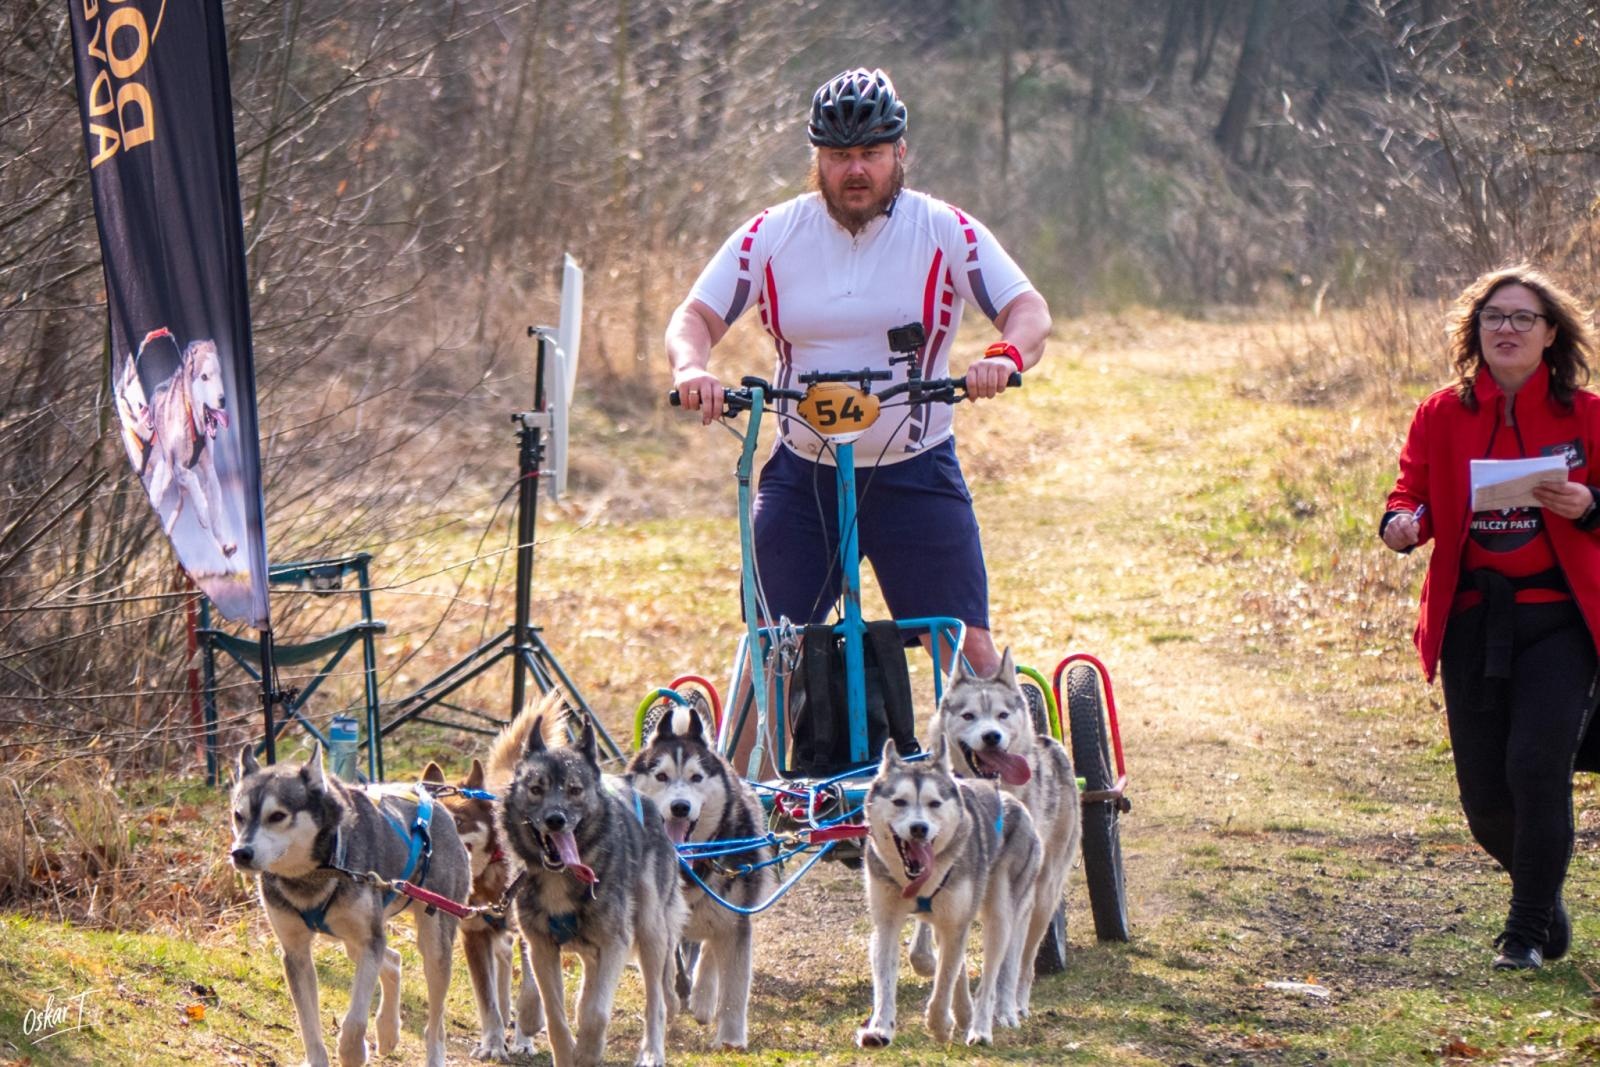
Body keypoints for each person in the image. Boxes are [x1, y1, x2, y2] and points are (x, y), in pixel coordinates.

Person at [666, 67, 1051, 703]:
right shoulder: (772, 234)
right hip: (803, 475)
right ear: (816, 158)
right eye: (839, 155)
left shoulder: (944, 229)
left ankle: (1012, 765)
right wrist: (691, 370)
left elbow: (1027, 310)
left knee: (966, 648)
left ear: (900, 151)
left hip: (914, 471)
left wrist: (1004, 356)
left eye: (871, 153)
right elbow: (694, 318)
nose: (855, 170)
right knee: (768, 652)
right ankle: (749, 769)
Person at [1381, 265, 1600, 971]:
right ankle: (1543, 898)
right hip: (1473, 619)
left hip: (1562, 620)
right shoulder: (1441, 413)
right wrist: (1402, 524)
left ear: (1550, 334)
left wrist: (1590, 505)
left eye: (1522, 318)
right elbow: (1408, 494)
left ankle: (1525, 931)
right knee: (1484, 800)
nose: (1507, 329)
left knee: (1536, 766)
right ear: (1474, 331)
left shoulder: (1587, 414)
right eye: (1493, 317)